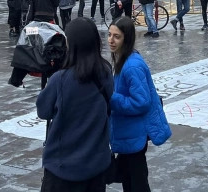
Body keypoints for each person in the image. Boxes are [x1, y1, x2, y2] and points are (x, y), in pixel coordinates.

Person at [36, 18, 114, 192]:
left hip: (63, 168)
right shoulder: (105, 72)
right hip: (96, 165)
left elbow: (43, 110)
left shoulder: (60, 79)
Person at [108, 17, 171, 192]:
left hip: (134, 134)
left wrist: (112, 98)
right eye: (109, 35)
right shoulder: (123, 59)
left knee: (137, 182)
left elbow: (141, 102)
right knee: (129, 180)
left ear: (126, 39)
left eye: (117, 37)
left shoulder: (132, 66)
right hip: (128, 133)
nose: (111, 40)